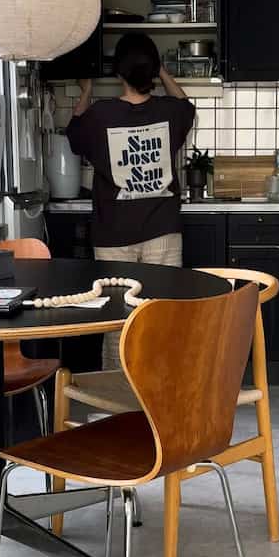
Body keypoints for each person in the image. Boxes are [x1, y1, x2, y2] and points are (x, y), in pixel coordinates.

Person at [66, 33, 195, 366]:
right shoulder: (169, 111)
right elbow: (186, 106)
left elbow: (74, 136)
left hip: (113, 235)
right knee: (163, 313)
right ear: (152, 70)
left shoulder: (100, 114)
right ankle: (162, 393)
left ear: (118, 73)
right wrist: (164, 72)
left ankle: (117, 398)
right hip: (163, 231)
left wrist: (85, 91)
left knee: (117, 321)